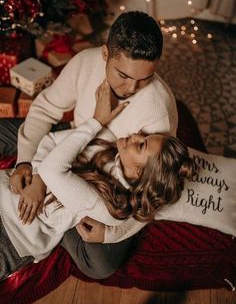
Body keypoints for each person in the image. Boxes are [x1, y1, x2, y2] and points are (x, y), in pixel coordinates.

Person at [1, 10, 178, 278]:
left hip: (101, 182)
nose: (131, 87)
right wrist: (28, 163)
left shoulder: (159, 114)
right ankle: (54, 212)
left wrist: (112, 232)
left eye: (144, 78)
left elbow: (153, 193)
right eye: (123, 75)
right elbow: (46, 109)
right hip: (71, 138)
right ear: (105, 54)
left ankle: (57, 216)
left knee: (100, 265)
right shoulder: (85, 61)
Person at [0, 82, 196, 281]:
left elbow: (52, 169)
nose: (136, 135)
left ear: (138, 172)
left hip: (14, 235)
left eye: (142, 145)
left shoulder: (110, 205)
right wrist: (37, 177)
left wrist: (96, 121)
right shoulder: (108, 141)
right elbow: (50, 140)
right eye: (144, 136)